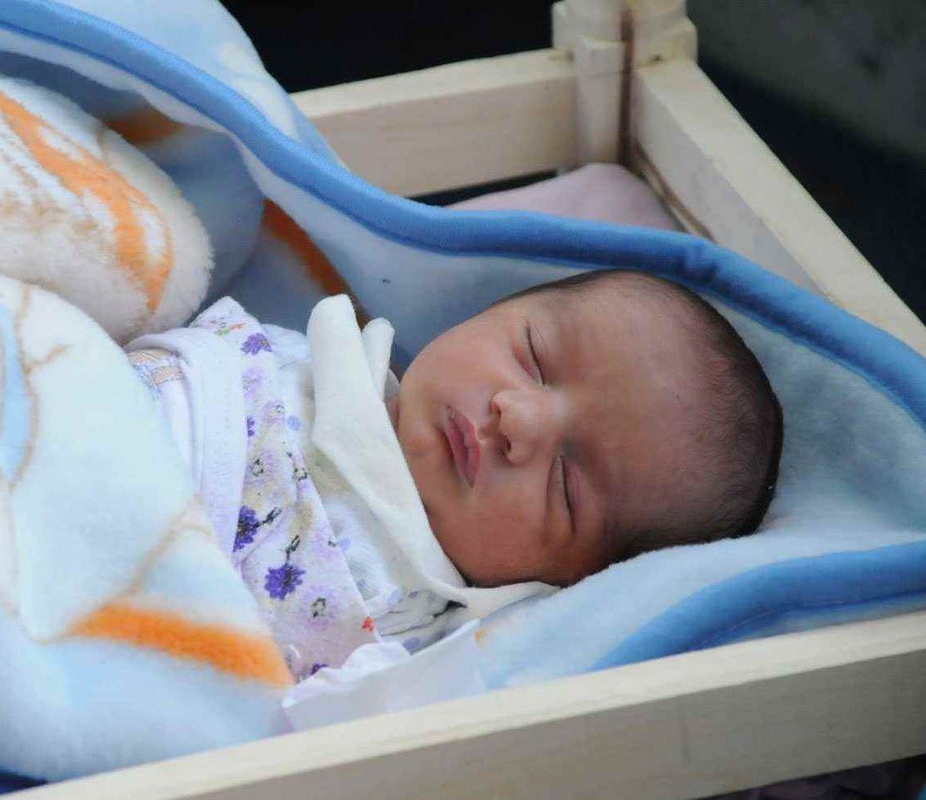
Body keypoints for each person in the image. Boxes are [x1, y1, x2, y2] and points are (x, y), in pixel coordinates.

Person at [126, 268, 783, 680]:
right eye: (533, 358)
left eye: (565, 482)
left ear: (573, 580)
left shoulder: (419, 641)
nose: (518, 419)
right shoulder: (292, 356)